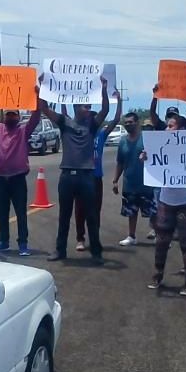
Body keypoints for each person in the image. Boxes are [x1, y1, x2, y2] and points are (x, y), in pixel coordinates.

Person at [44, 77, 110, 264]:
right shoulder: (64, 122)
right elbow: (44, 109)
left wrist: (104, 89)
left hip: (87, 176)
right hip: (67, 176)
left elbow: (105, 110)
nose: (88, 109)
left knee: (91, 216)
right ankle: (60, 250)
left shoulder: (92, 124)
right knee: (64, 215)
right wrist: (42, 87)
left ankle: (96, 253)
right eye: (85, 107)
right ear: (76, 108)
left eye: (89, 107)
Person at [0, 83, 44, 256]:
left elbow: (36, 117)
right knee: (2, 212)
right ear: (4, 116)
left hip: (18, 179)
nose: (11, 117)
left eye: (14, 114)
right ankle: (4, 241)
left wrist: (37, 97)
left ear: (18, 116)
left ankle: (23, 244)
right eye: (8, 114)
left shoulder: (23, 131)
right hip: (1, 179)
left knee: (21, 213)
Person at [146, 95, 186, 296]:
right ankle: (157, 275)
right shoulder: (160, 147)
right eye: (167, 126)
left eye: (171, 126)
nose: (167, 129)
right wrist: (146, 158)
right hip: (166, 201)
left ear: (181, 130)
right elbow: (153, 167)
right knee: (161, 242)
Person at [74, 90, 122, 251]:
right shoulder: (80, 133)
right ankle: (80, 238)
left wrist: (119, 102)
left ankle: (95, 238)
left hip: (96, 178)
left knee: (95, 210)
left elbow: (115, 120)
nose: (93, 119)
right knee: (80, 209)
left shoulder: (101, 135)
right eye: (90, 117)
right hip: (82, 176)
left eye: (95, 118)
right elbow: (68, 115)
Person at [112, 110, 154, 246]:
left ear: (137, 123)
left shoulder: (147, 139)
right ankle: (131, 236)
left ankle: (159, 235)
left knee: (154, 212)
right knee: (131, 212)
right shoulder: (123, 141)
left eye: (130, 122)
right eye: (126, 123)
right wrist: (115, 180)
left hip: (147, 184)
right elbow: (120, 162)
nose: (128, 125)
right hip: (129, 183)